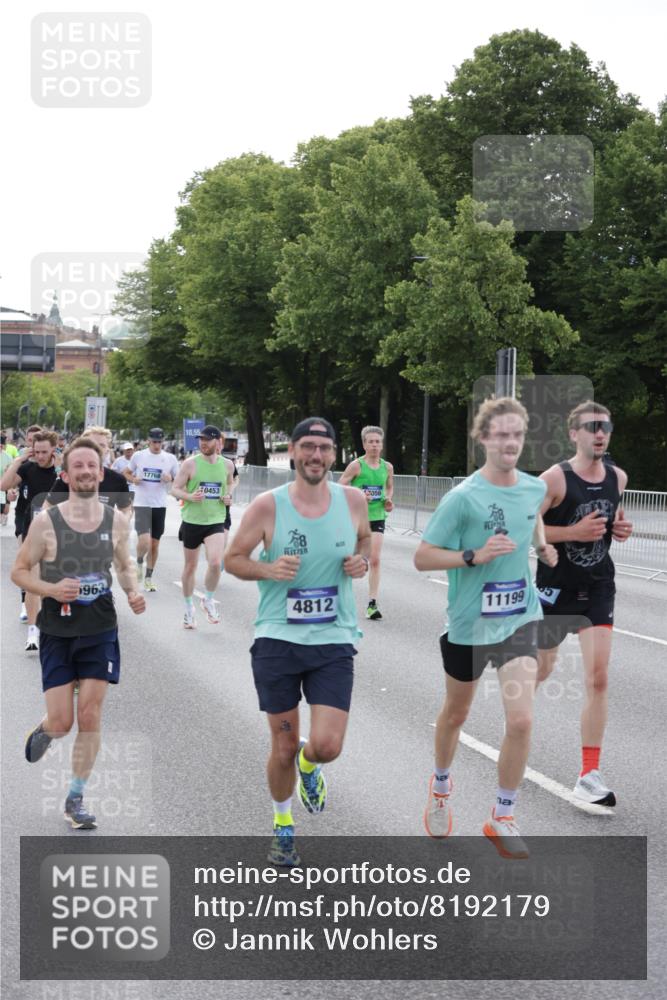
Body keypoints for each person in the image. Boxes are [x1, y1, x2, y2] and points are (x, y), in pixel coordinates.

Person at [414, 397, 557, 859]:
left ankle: (502, 814)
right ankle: (440, 786)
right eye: (501, 435)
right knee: (456, 715)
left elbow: (532, 517)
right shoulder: (462, 498)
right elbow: (422, 557)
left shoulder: (534, 488)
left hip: (519, 615)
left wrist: (543, 547)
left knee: (521, 718)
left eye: (517, 434)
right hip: (469, 623)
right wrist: (473, 556)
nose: (511, 442)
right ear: (483, 439)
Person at [225, 417, 371, 866]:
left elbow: (365, 541)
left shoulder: (354, 500)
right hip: (278, 639)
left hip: (333, 639)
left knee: (326, 746)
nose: (315, 456)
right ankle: (283, 825)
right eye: (307, 447)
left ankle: (312, 768)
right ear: (291, 451)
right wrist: (268, 570)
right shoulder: (268, 506)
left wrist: (361, 561)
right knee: (284, 744)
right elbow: (232, 559)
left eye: (324, 448)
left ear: (333, 455)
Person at [10, 436, 145, 829]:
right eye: (79, 466)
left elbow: (125, 565)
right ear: (66, 475)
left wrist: (134, 592)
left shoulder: (116, 521)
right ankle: (47, 728)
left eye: (92, 466)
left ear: (101, 473)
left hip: (100, 626)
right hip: (56, 629)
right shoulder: (45, 523)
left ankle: (75, 797)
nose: (86, 472)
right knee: (62, 722)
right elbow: (18, 571)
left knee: (90, 715)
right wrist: (51, 589)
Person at [536, 401, 632, 807]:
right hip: (556, 589)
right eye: (592, 426)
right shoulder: (554, 479)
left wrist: (621, 528)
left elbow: (614, 518)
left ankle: (588, 773)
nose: (600, 432)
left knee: (598, 678)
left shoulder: (618, 477)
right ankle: (515, 724)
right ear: (573, 433)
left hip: (597, 588)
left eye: (605, 426)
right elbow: (529, 528)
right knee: (541, 668)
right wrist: (572, 530)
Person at [171, 425, 235, 628]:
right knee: (190, 566)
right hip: (192, 521)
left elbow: (230, 483)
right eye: (201, 439)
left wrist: (229, 496)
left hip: (215, 519)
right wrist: (190, 496)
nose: (203, 443)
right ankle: (189, 608)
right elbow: (175, 489)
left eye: (207, 440)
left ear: (217, 442)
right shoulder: (190, 464)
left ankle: (208, 599)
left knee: (215, 562)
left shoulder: (228, 465)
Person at [1, 430, 59, 650]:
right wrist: (18, 460)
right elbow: (3, 485)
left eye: (45, 452)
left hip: (59, 533)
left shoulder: (61, 471)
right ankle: (33, 633)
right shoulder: (27, 468)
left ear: (54, 450)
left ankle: (50, 625)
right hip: (32, 529)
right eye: (37, 451)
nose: (41, 456)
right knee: (34, 580)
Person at [339, 426, 394, 620]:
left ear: (381, 444)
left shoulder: (387, 467)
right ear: (364, 444)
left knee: (375, 559)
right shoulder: (356, 466)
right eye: (370, 441)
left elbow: (389, 487)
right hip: (356, 517)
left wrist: (388, 500)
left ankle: (372, 604)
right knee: (351, 561)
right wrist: (359, 495)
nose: (374, 445)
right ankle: (338, 597)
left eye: (377, 441)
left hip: (377, 516)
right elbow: (340, 487)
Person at [124, 428, 179, 591]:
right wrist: (134, 479)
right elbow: (126, 472)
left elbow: (179, 480)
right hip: (141, 503)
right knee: (144, 540)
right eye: (154, 442)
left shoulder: (170, 458)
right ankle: (140, 561)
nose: (157, 445)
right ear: (148, 441)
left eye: (159, 442)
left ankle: (148, 577)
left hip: (159, 505)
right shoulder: (139, 456)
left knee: (154, 544)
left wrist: (171, 478)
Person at [45, 427, 132, 517]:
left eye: (102, 445)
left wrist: (119, 525)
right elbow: (48, 506)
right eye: (92, 444)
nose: (97, 448)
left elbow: (126, 510)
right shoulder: (71, 475)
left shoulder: (117, 479)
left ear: (107, 450)